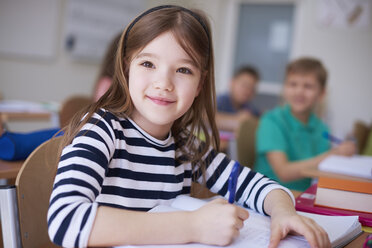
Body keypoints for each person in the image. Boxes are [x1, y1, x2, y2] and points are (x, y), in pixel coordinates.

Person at [47, 6, 330, 248]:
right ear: (126, 68)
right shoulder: (102, 131)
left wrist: (283, 212)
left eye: (183, 70)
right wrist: (192, 226)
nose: (164, 83)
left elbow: (257, 185)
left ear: (200, 85)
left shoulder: (185, 148)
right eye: (148, 63)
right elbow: (64, 220)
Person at [0, 34, 120, 161]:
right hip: (96, 133)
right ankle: (11, 142)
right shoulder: (107, 84)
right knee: (63, 135)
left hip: (100, 135)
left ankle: (13, 142)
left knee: (64, 134)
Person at [254, 57, 356, 191]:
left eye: (308, 86)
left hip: (305, 196)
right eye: (293, 84)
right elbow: (284, 172)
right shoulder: (271, 121)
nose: (299, 91)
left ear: (321, 94)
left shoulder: (321, 127)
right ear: (285, 88)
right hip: (270, 195)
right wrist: (333, 154)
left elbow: (322, 170)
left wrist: (341, 154)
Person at [216, 66, 260, 132]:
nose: (247, 91)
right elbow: (206, 117)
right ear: (232, 83)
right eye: (244, 85)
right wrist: (237, 120)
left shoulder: (248, 107)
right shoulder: (221, 100)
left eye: (252, 88)